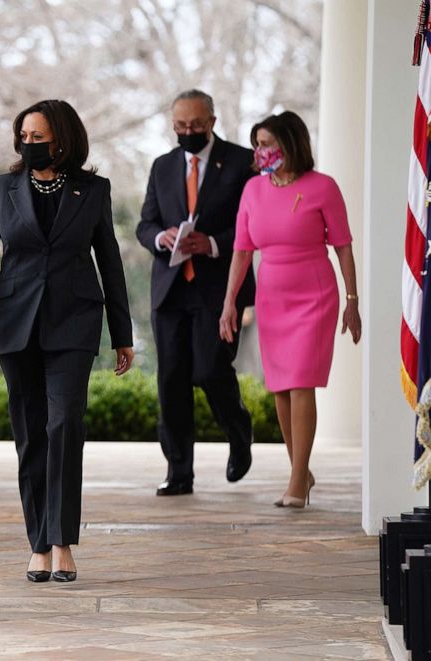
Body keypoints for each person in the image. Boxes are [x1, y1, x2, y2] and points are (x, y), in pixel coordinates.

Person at [0, 99, 134, 583]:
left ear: (62, 139)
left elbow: (111, 263)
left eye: (39, 137)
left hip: (75, 322)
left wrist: (121, 334)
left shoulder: (92, 190)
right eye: (24, 137)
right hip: (16, 322)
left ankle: (62, 542)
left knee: (64, 426)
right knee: (30, 433)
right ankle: (38, 543)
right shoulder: (0, 189)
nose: (29, 145)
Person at [220, 111, 361, 508]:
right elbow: (242, 251)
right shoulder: (253, 190)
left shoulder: (323, 187)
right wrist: (230, 302)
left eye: (267, 144)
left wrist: (353, 301)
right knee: (280, 387)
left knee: (301, 382)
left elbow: (344, 246)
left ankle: (297, 480)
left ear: (290, 143)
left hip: (314, 295)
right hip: (272, 296)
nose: (260, 152)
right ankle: (300, 469)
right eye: (257, 144)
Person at [135, 89, 256, 497]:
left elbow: (253, 223)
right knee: (171, 381)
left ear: (213, 122)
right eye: (181, 126)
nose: (188, 132)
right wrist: (160, 237)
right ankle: (179, 471)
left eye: (196, 125)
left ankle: (239, 431)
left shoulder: (241, 162)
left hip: (218, 289)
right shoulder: (163, 166)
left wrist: (214, 243)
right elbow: (144, 223)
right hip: (169, 290)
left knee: (209, 370)